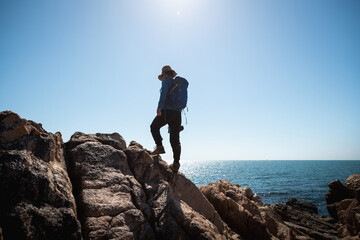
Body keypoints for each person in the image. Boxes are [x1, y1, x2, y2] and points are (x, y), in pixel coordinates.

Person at [150, 65, 182, 173]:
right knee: (175, 139)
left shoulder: (166, 81)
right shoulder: (177, 84)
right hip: (178, 114)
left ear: (164, 74)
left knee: (154, 127)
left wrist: (159, 107)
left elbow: (163, 94)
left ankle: (159, 146)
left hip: (167, 111)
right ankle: (176, 163)